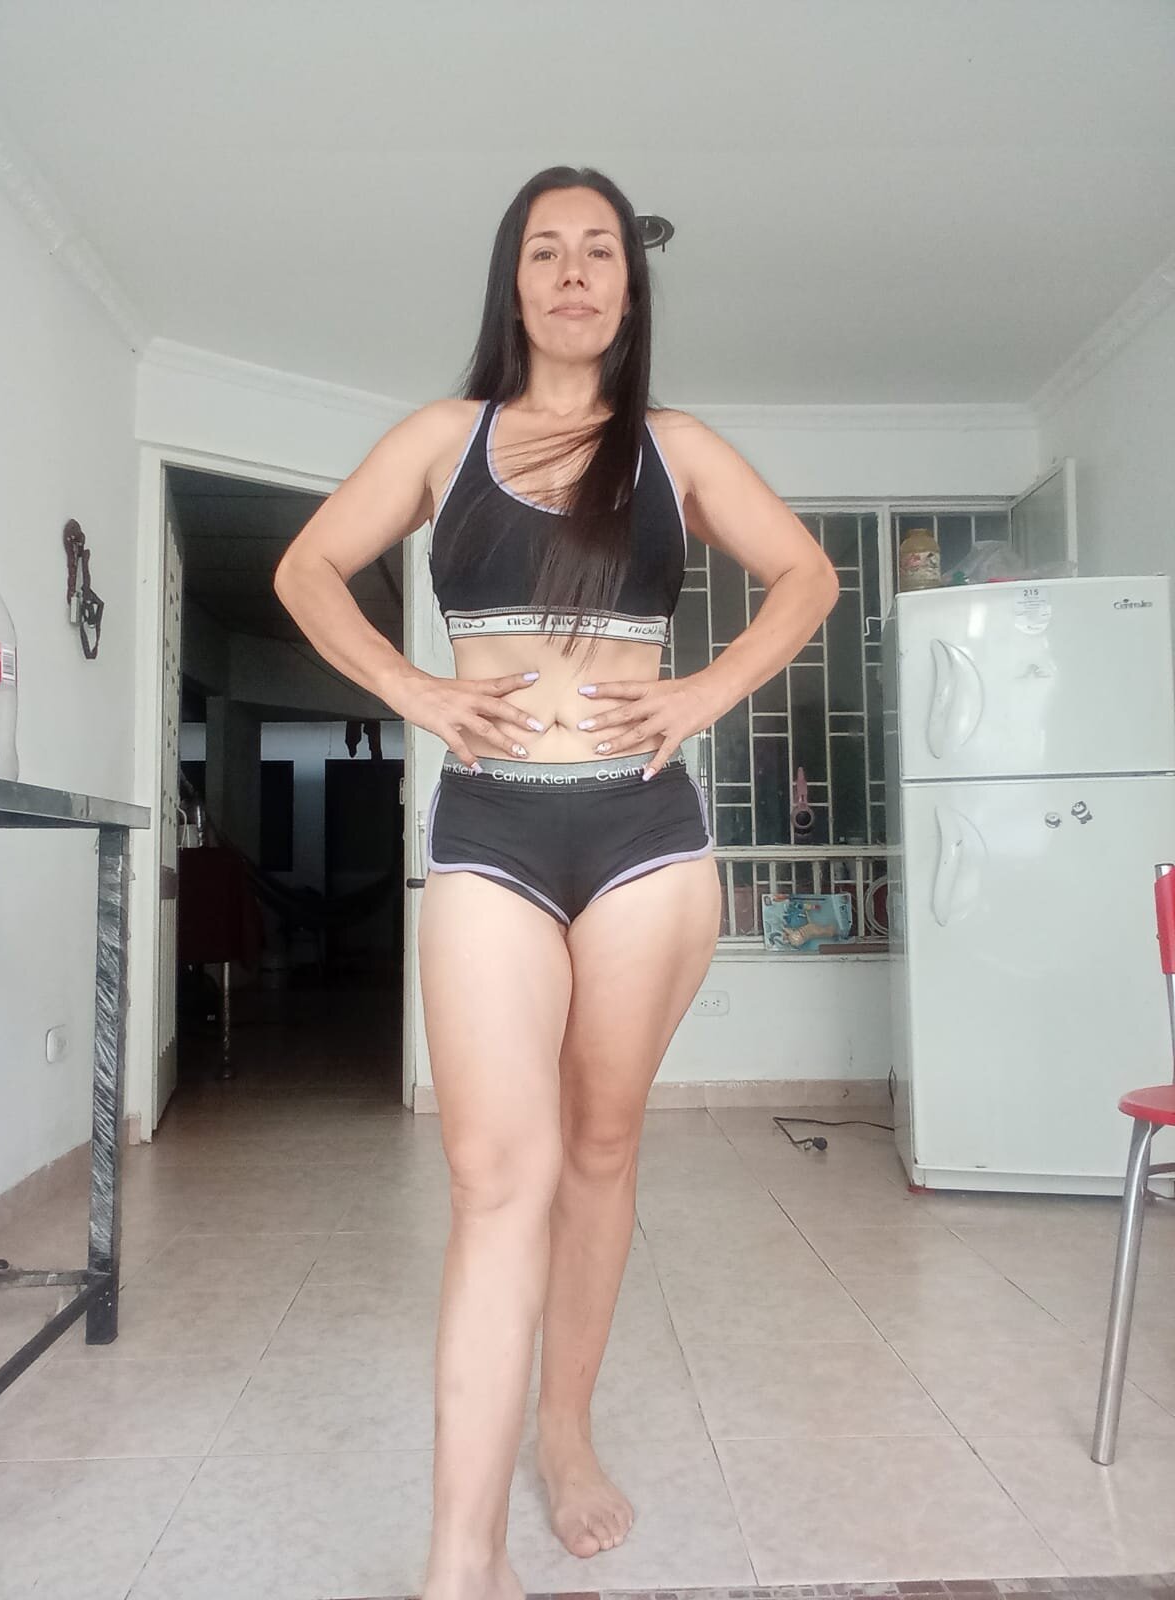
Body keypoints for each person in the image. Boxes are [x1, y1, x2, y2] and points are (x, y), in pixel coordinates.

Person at [274, 165, 838, 1600]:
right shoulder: (441, 439)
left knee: (599, 1144)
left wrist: (703, 693)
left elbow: (809, 578)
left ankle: (566, 1434)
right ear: (512, 281)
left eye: (600, 250)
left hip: (643, 831)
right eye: (546, 250)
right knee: (492, 1173)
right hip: (491, 827)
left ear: (630, 287)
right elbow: (307, 571)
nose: (575, 271)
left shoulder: (676, 449)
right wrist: (414, 689)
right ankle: (462, 1559)